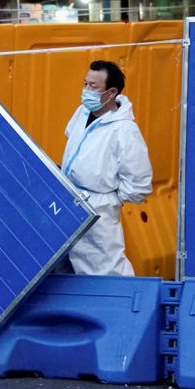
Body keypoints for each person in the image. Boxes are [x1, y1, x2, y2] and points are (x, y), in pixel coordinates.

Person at [59, 60, 153, 276]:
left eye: (94, 87)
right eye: (85, 84)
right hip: (69, 201)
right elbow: (71, 139)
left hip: (98, 209)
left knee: (105, 268)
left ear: (111, 92)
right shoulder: (82, 113)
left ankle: (121, 306)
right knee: (66, 267)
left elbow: (139, 184)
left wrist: (108, 200)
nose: (86, 91)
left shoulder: (125, 131)